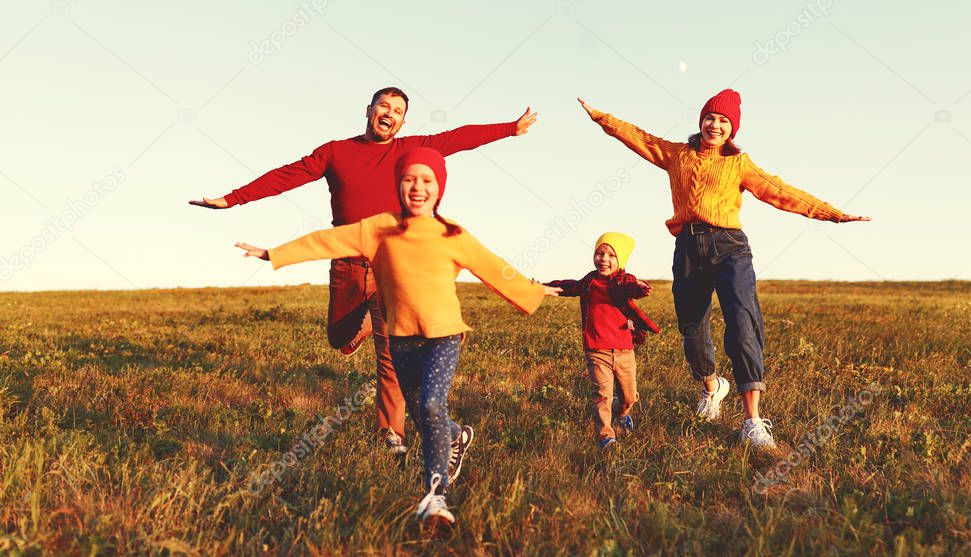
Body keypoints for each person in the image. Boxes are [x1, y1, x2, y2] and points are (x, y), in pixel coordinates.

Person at [191, 87, 538, 455]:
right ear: (369, 110)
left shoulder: (410, 149)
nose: (389, 113)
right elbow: (287, 176)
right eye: (383, 106)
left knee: (390, 353)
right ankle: (363, 326)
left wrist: (509, 129)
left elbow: (457, 138)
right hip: (347, 263)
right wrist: (232, 198)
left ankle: (391, 434)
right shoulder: (336, 152)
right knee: (339, 338)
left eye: (398, 110)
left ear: (403, 121)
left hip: (393, 264)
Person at [234, 147, 560, 526]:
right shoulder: (378, 228)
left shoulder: (453, 233)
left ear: (439, 189)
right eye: (409, 179)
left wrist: (534, 290)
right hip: (400, 339)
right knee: (425, 413)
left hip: (444, 337)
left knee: (432, 407)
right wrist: (273, 254)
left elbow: (493, 266)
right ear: (398, 185)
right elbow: (327, 240)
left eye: (427, 180)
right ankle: (455, 438)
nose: (417, 187)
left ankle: (435, 497)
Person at [578, 89, 870, 449]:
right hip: (687, 248)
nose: (715, 125)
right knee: (692, 330)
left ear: (732, 130)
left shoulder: (738, 164)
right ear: (700, 121)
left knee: (743, 323)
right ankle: (712, 386)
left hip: (730, 248)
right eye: (710, 118)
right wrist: (600, 117)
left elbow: (781, 191)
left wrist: (834, 214)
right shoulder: (677, 155)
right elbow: (639, 138)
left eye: (724, 121)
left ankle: (752, 420)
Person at [545, 232, 659, 450]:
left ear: (620, 260)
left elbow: (631, 285)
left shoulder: (622, 281)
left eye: (611, 255)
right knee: (602, 395)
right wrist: (545, 287)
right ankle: (606, 436)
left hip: (624, 350)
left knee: (629, 397)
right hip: (597, 350)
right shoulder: (590, 281)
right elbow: (569, 286)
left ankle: (622, 412)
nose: (604, 259)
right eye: (599, 253)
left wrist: (639, 287)